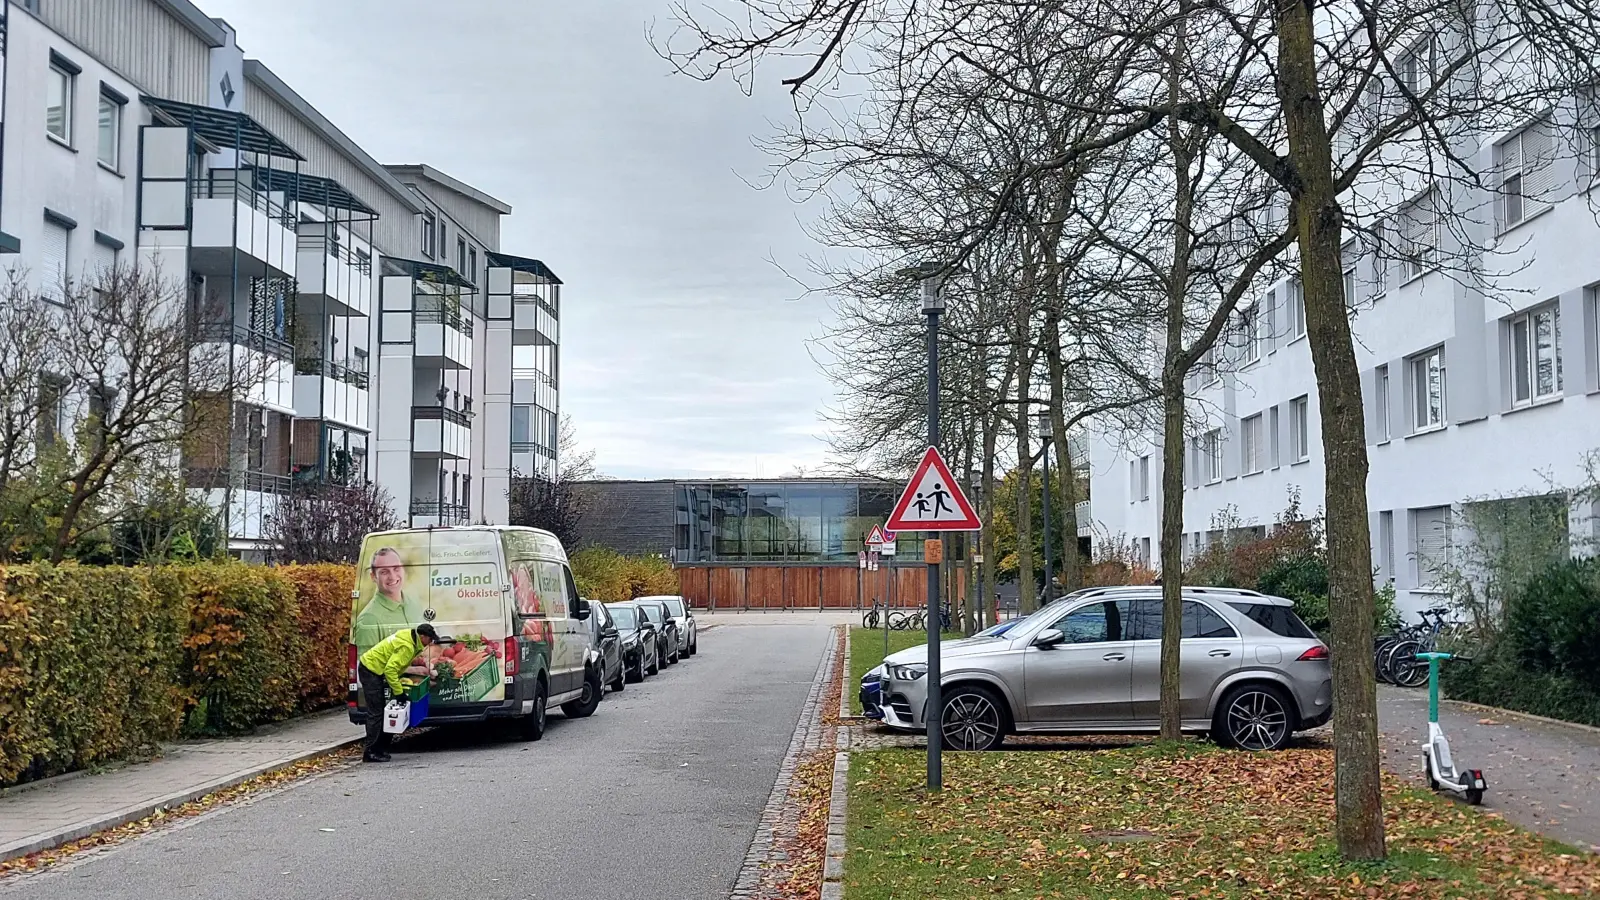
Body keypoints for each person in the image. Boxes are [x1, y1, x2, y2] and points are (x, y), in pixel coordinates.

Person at [357, 623, 437, 762]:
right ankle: (370, 752)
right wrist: (399, 693)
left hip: (374, 669)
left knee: (382, 711)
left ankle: (379, 749)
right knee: (376, 712)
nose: (431, 642)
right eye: (430, 639)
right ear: (422, 637)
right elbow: (390, 670)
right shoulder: (407, 646)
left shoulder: (409, 637)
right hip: (370, 670)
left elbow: (394, 667)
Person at [352, 547, 425, 655]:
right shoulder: (368, 620)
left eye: (396, 568)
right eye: (384, 572)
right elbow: (365, 669)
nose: (392, 576)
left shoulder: (414, 602)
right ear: (373, 577)